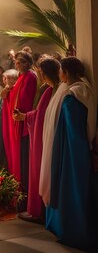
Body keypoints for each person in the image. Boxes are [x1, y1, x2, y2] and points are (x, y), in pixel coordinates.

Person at [45, 57, 98, 250]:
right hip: (86, 146)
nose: (59, 74)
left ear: (66, 72)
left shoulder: (71, 97)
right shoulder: (86, 89)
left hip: (72, 150)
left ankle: (74, 232)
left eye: (61, 71)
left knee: (72, 187)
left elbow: (72, 131)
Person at [12, 57, 59, 223]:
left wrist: (25, 117)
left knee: (39, 170)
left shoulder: (51, 89)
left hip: (45, 137)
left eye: (40, 71)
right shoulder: (51, 89)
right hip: (46, 135)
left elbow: (41, 114)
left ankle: (39, 210)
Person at [5, 51, 37, 196]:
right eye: (16, 62)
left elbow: (26, 100)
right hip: (19, 120)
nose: (17, 64)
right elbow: (15, 96)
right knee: (21, 158)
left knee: (25, 159)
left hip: (25, 122)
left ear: (28, 63)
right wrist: (7, 93)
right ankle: (21, 191)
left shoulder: (30, 77)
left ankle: (25, 193)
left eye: (20, 62)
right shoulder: (22, 77)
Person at [0, 69, 18, 168]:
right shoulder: (7, 88)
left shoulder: (14, 89)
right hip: (0, 118)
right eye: (5, 78)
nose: (4, 80)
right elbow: (2, 96)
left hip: (7, 121)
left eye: (6, 78)